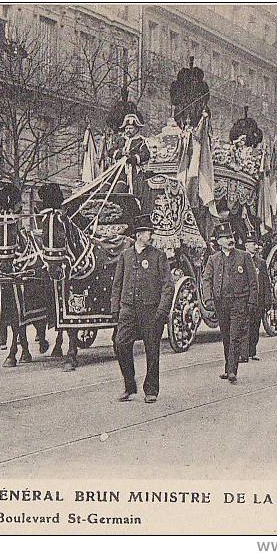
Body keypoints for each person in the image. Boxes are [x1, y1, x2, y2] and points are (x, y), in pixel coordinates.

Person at [110, 214, 174, 402]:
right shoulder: (125, 256)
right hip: (128, 309)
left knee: (152, 350)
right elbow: (117, 284)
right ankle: (129, 386)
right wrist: (116, 308)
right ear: (138, 234)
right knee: (121, 344)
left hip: (150, 310)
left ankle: (151, 390)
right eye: (147, 232)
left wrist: (162, 311)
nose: (150, 235)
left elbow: (168, 285)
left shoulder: (158, 256)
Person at [201, 223, 258, 383]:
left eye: (231, 237)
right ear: (219, 241)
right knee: (226, 336)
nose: (230, 240)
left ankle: (232, 370)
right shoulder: (213, 259)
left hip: (239, 302)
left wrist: (252, 300)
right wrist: (208, 299)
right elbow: (206, 280)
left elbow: (253, 281)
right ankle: (228, 368)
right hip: (221, 304)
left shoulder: (244, 256)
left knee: (234, 336)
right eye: (226, 238)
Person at [243, 233, 273, 361]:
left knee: (255, 326)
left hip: (258, 300)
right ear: (246, 246)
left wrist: (268, 300)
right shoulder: (241, 259)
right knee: (244, 326)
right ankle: (243, 353)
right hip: (245, 299)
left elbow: (266, 282)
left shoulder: (261, 263)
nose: (255, 247)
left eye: (255, 244)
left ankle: (252, 351)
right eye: (252, 244)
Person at [109, 113, 150, 196]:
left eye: (131, 128)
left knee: (136, 192)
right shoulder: (120, 140)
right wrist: (121, 153)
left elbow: (145, 155)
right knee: (115, 189)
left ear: (136, 129)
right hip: (119, 170)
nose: (128, 130)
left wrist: (132, 158)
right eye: (126, 128)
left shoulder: (141, 141)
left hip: (135, 172)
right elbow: (110, 152)